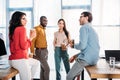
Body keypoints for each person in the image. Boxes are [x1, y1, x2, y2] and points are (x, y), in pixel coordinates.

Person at [67, 11, 100, 80]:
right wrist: (75, 56)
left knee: (69, 77)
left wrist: (73, 45)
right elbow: (89, 48)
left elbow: (82, 46)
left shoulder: (84, 28)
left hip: (87, 60)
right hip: (94, 59)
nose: (79, 19)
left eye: (81, 17)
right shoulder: (92, 29)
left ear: (86, 18)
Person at [9, 11, 40, 80]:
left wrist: (26, 54)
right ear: (17, 19)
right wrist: (31, 37)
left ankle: (30, 77)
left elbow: (17, 46)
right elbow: (24, 46)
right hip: (20, 60)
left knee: (36, 63)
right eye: (23, 18)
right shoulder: (22, 28)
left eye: (25, 18)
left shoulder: (12, 29)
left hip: (12, 60)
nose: (26, 20)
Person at [30, 16, 50, 80]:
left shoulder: (43, 29)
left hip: (45, 50)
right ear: (40, 21)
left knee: (43, 69)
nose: (46, 22)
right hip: (40, 51)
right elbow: (32, 42)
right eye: (44, 20)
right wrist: (32, 53)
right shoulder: (36, 28)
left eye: (46, 21)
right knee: (47, 69)